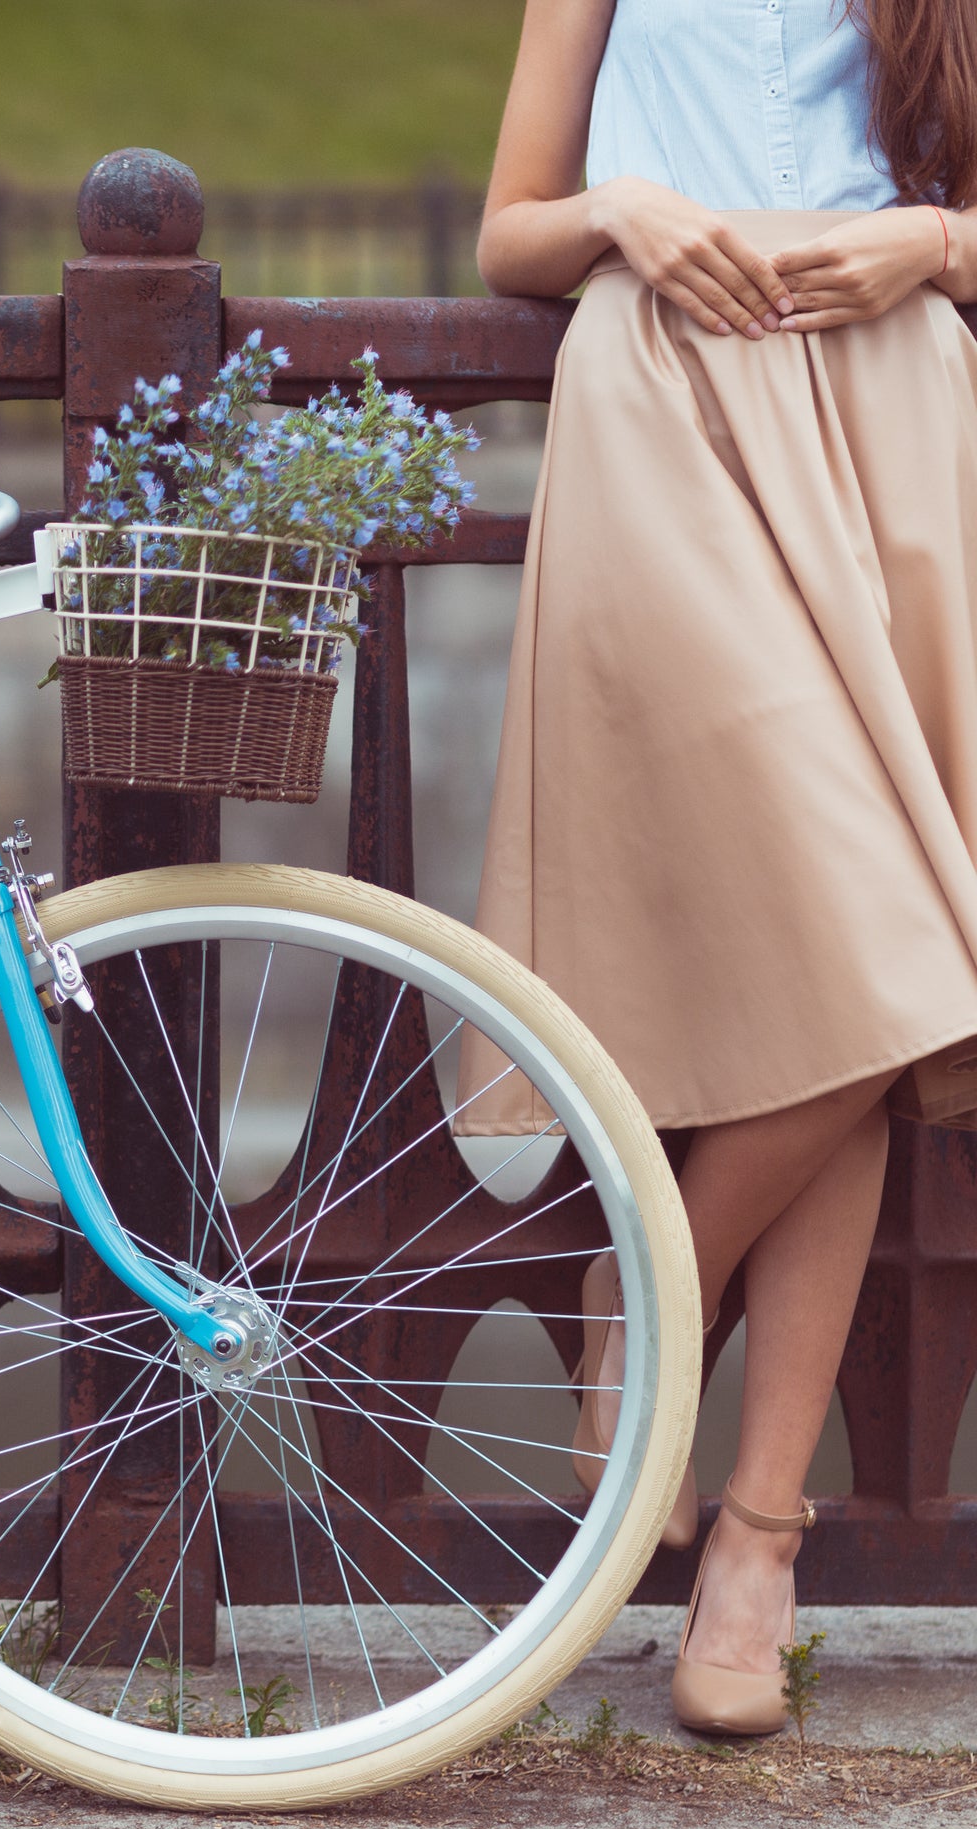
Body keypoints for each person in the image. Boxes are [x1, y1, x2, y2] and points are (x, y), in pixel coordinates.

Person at [469, 0, 977, 1735]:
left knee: (852, 975)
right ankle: (673, 1357)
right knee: (871, 949)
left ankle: (746, 1525)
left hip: (896, 419)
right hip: (666, 417)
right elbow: (509, 224)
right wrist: (628, 211)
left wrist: (936, 239)